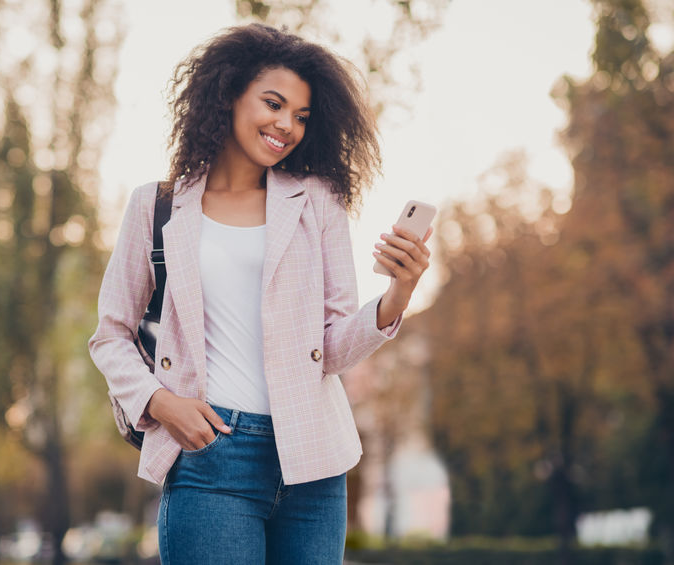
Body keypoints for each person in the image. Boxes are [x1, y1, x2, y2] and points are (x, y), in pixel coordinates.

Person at [89, 23, 432, 565]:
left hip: (314, 463)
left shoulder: (318, 202)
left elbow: (333, 348)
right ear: (228, 95)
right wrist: (162, 404)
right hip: (209, 456)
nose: (286, 125)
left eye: (301, 116)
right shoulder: (154, 207)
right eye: (273, 104)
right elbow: (109, 336)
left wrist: (398, 293)